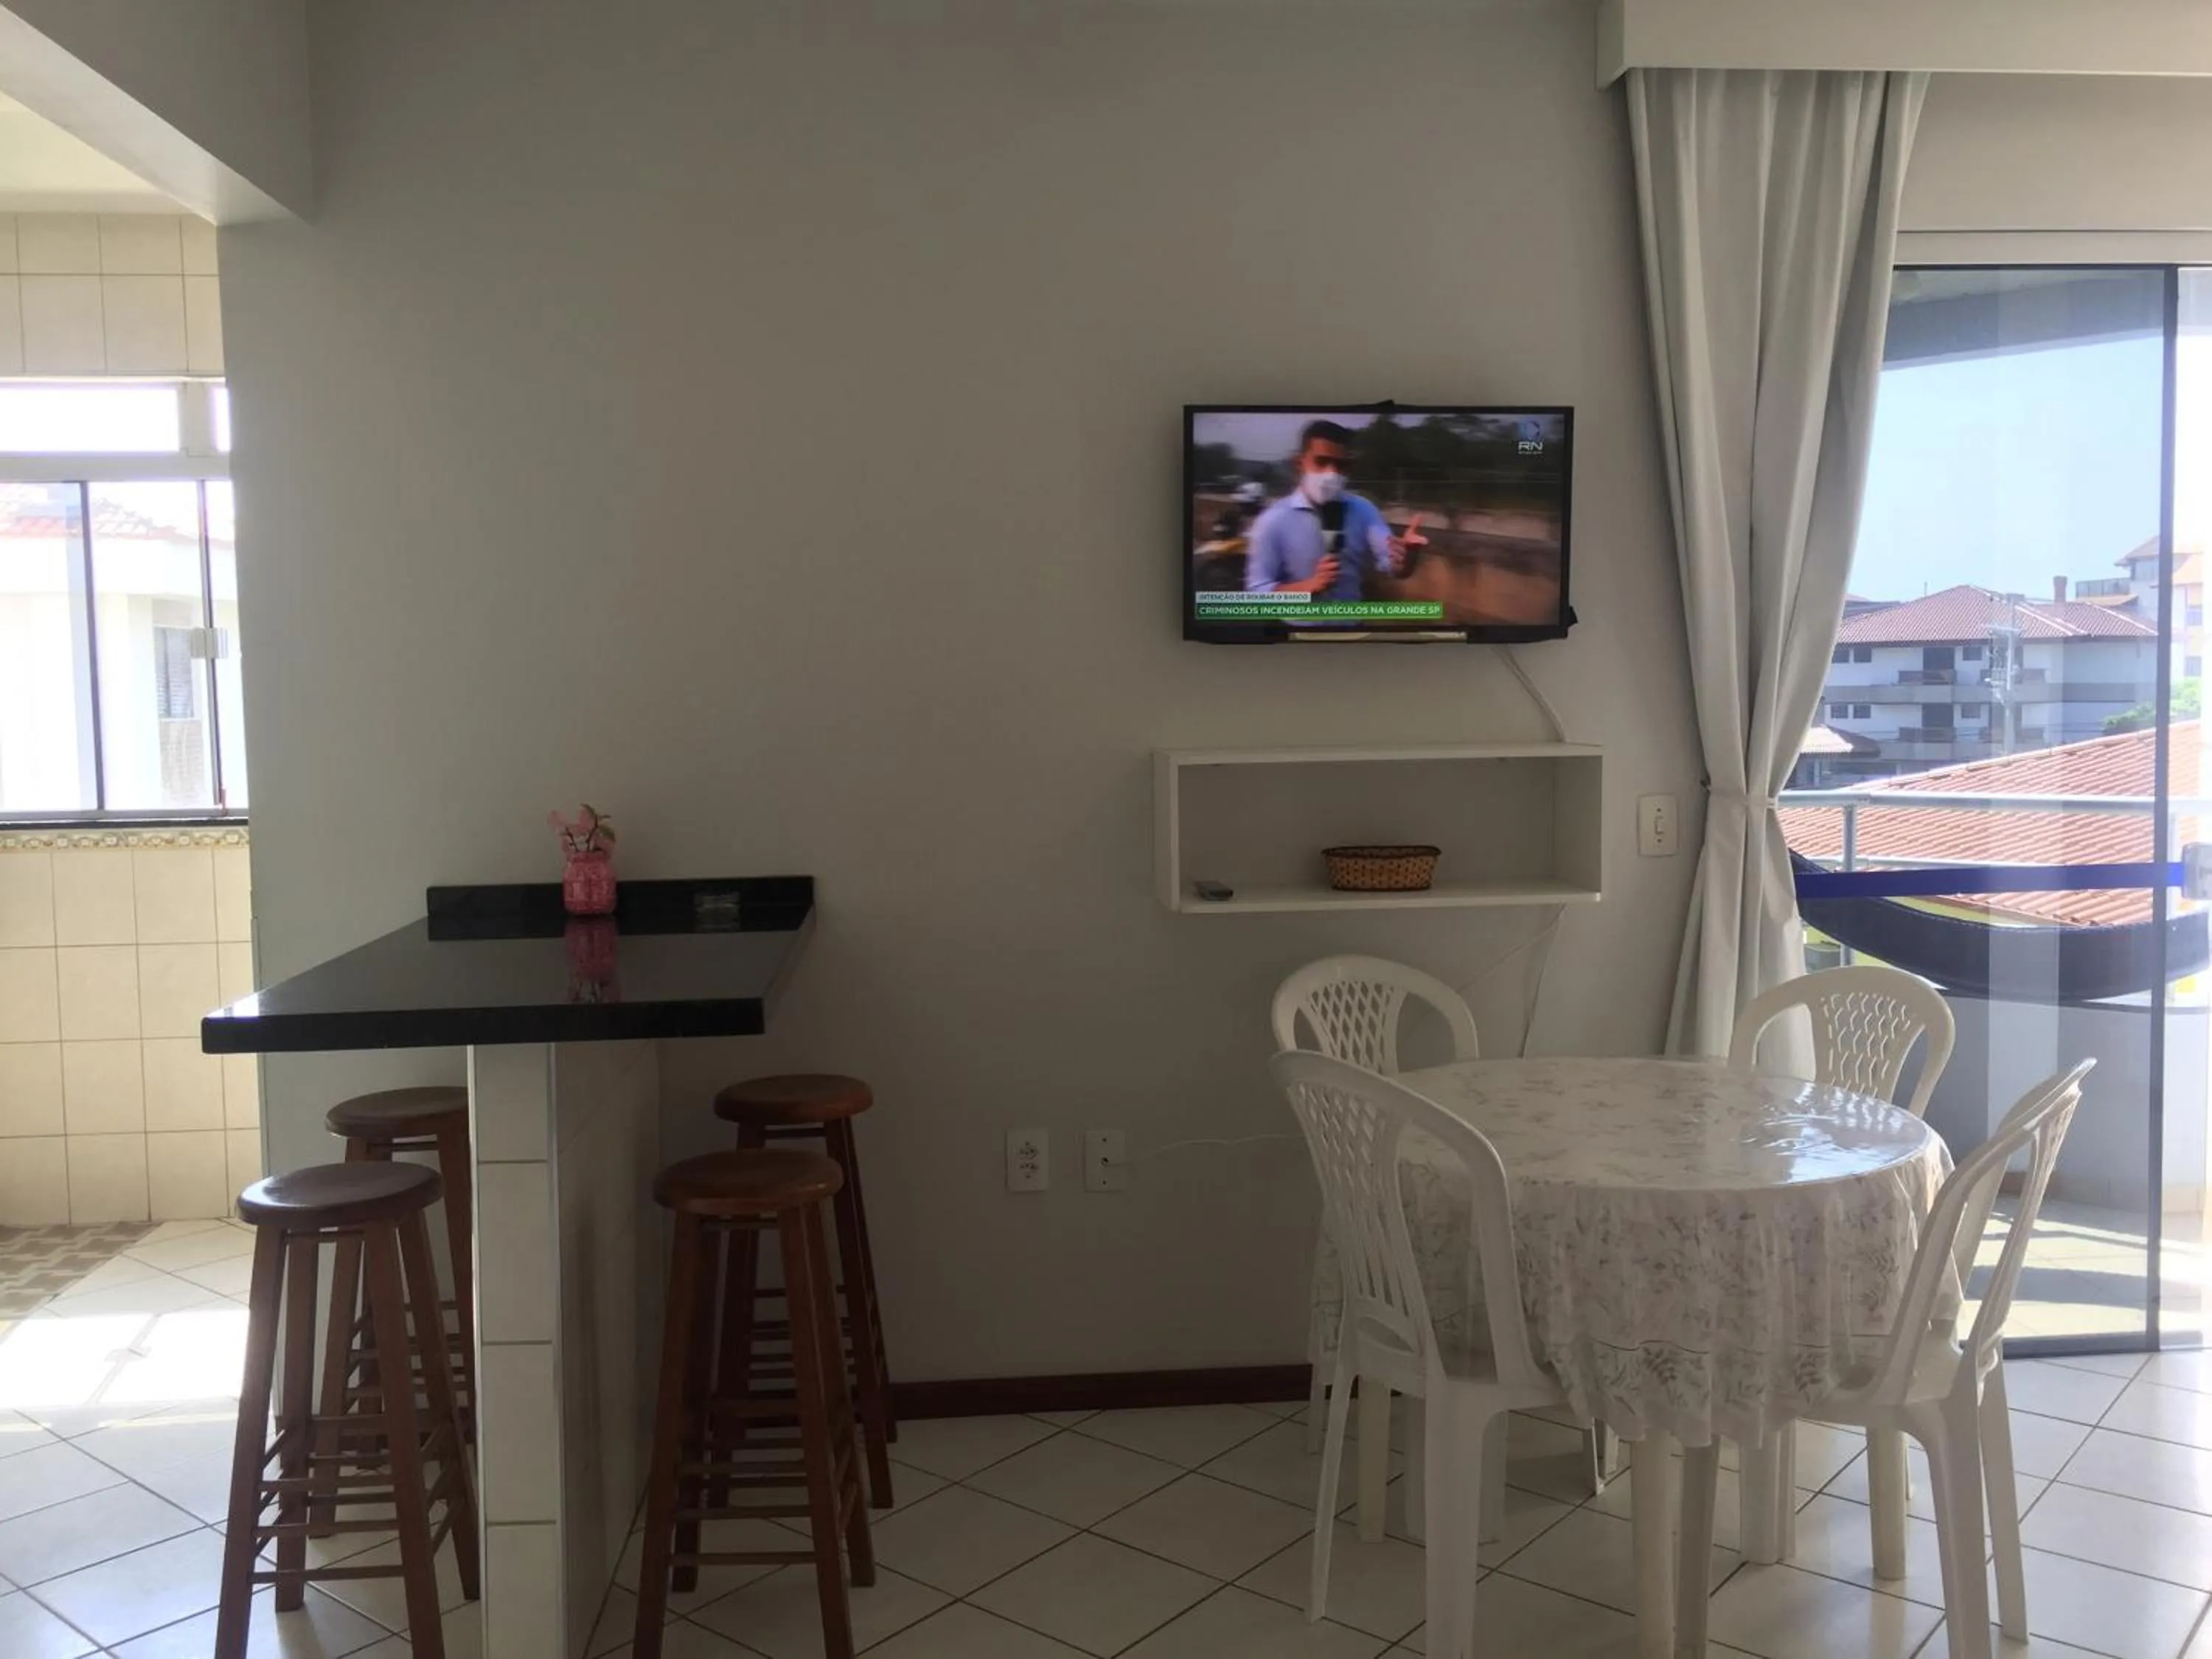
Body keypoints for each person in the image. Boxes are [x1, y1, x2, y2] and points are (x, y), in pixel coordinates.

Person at [1243, 420, 1427, 598]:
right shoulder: (1273, 520)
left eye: (1341, 465)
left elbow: (1395, 568)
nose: (1332, 473)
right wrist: (1307, 587)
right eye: (1322, 462)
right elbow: (1258, 591)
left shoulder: (1363, 510)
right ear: (1299, 463)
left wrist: (1408, 558)